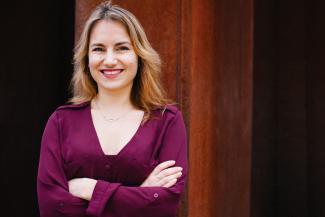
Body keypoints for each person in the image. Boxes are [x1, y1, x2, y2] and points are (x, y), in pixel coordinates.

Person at [37, 1, 188, 217]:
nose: (109, 60)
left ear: (139, 55)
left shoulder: (167, 121)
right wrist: (141, 194)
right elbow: (52, 208)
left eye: (122, 48)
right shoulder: (61, 122)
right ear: (86, 58)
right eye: (98, 49)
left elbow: (163, 206)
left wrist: (91, 190)